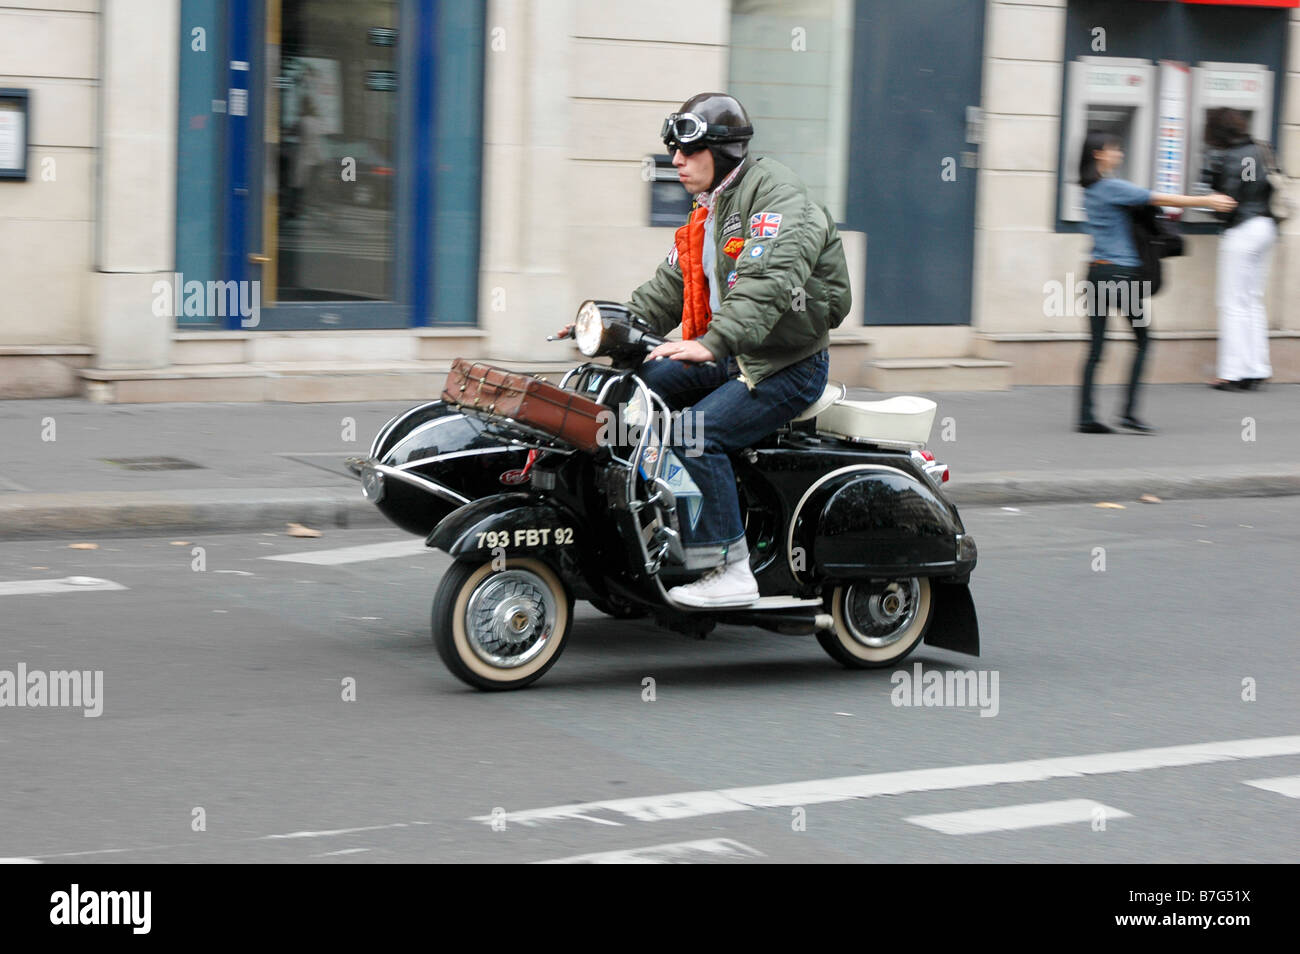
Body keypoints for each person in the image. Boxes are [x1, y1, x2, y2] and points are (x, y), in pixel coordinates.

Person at [564, 92, 850, 607]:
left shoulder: (777, 197)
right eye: (673, 149)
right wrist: (613, 327)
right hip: (731, 352)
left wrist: (710, 343)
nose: (675, 160)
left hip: (783, 364)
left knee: (697, 434)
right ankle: (648, 526)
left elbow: (768, 283)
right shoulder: (708, 209)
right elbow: (669, 286)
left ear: (722, 153)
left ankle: (731, 567)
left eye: (686, 151)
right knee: (630, 393)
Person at [1076, 131, 1236, 434]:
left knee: (1096, 349)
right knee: (1144, 340)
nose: (1119, 153)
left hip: (1096, 272)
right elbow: (1160, 198)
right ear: (1099, 154)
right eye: (1114, 148)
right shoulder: (1112, 187)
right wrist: (1207, 200)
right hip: (1121, 275)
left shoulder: (1089, 191)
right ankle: (1129, 413)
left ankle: (1085, 416)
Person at [1200, 107, 1278, 391]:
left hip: (1243, 230)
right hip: (1267, 227)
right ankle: (1257, 368)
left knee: (1233, 302)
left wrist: (1215, 207)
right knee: (1252, 300)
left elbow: (1228, 201)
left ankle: (1231, 372)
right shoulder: (1261, 149)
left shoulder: (1227, 156)